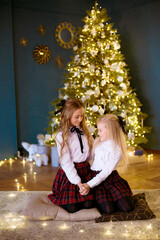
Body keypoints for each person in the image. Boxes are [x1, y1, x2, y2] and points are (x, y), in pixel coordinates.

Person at [48, 98, 95, 213]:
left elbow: (92, 150)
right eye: (77, 117)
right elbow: (66, 162)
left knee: (89, 204)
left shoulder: (85, 130)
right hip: (70, 174)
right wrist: (78, 183)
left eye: (82, 116)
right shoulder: (61, 136)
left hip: (85, 170)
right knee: (72, 208)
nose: (80, 119)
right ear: (68, 116)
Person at [80, 114, 133, 214]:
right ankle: (99, 200)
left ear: (110, 130)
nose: (98, 133)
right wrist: (89, 184)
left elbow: (106, 172)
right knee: (108, 210)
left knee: (127, 208)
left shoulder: (117, 148)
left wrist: (88, 185)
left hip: (109, 177)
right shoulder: (98, 142)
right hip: (95, 177)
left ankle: (113, 199)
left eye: (100, 130)